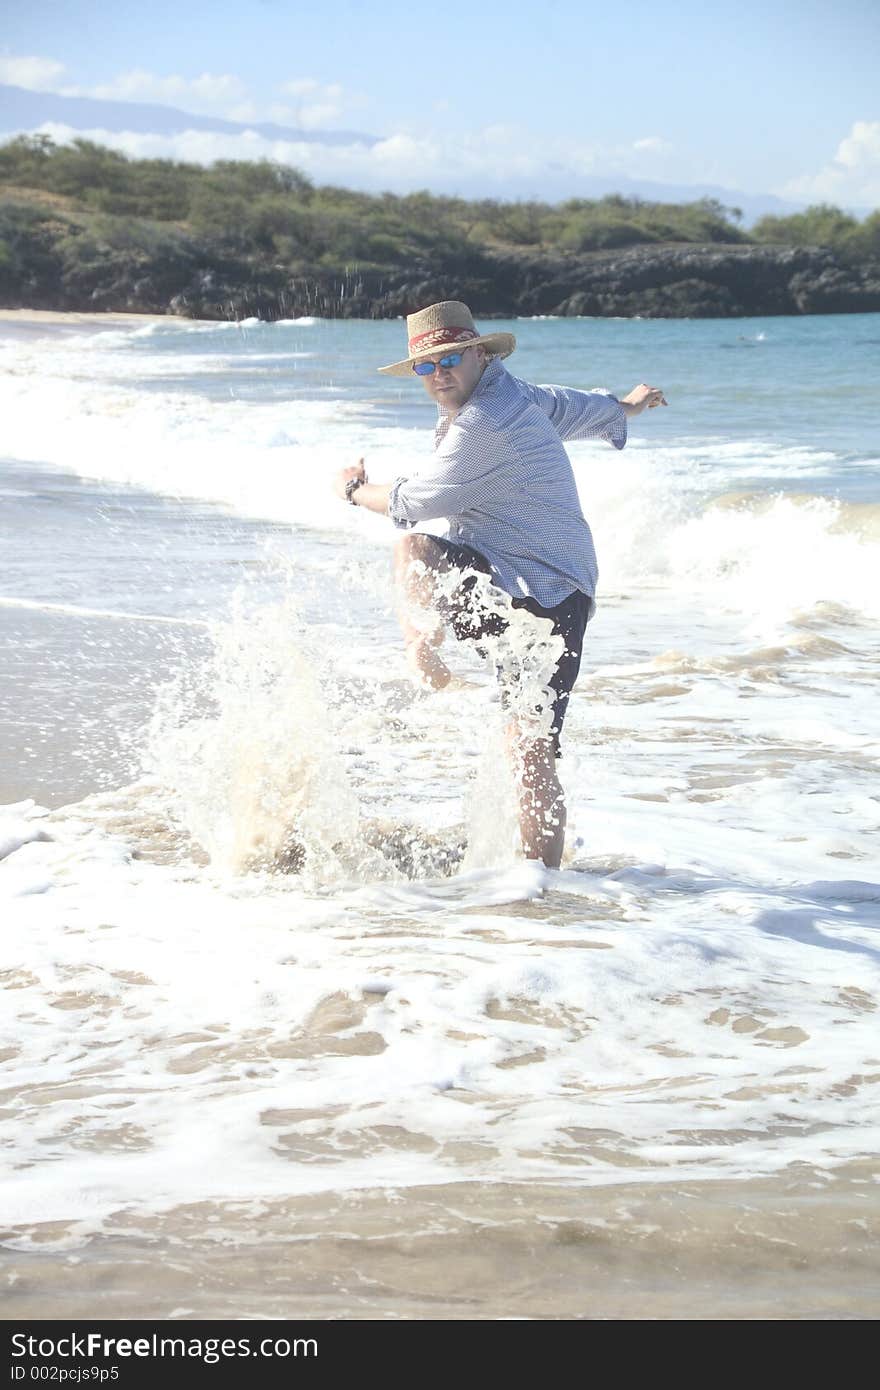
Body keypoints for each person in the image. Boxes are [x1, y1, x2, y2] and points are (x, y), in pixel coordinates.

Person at [333, 301, 666, 870]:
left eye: (451, 359)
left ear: (481, 354)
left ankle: (424, 647)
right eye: (425, 366)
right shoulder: (517, 395)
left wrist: (352, 489)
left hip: (546, 598)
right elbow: (574, 407)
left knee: (414, 549)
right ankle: (542, 882)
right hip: (525, 585)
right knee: (529, 743)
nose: (439, 375)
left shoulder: (489, 420)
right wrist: (625, 407)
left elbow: (412, 503)